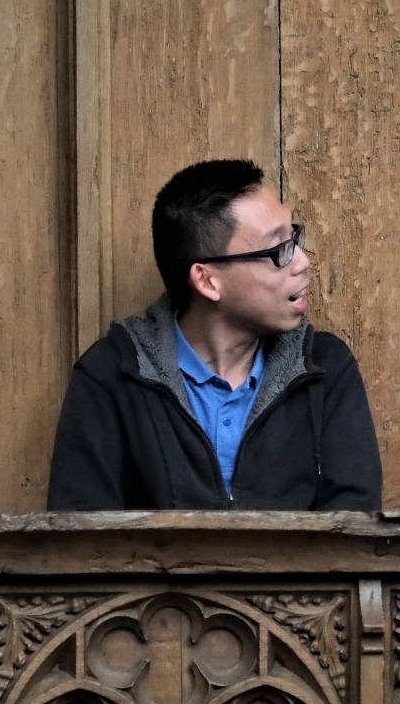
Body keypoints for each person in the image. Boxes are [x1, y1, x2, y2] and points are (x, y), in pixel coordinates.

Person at [48, 159, 382, 510]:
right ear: (207, 280)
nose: (301, 262)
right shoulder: (111, 375)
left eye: (293, 237)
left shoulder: (324, 368)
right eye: (277, 250)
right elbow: (82, 538)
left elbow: (353, 528)